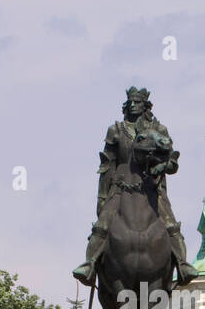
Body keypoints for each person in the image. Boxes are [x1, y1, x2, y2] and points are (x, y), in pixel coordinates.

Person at [73, 86, 197, 287]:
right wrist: (102, 197)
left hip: (152, 188)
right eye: (130, 102)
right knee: (102, 225)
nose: (132, 105)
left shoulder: (158, 130)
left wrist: (162, 166)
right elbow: (107, 165)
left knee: (171, 225)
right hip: (120, 186)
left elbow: (172, 163)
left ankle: (182, 265)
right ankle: (90, 264)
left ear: (145, 105)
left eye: (137, 102)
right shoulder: (116, 130)